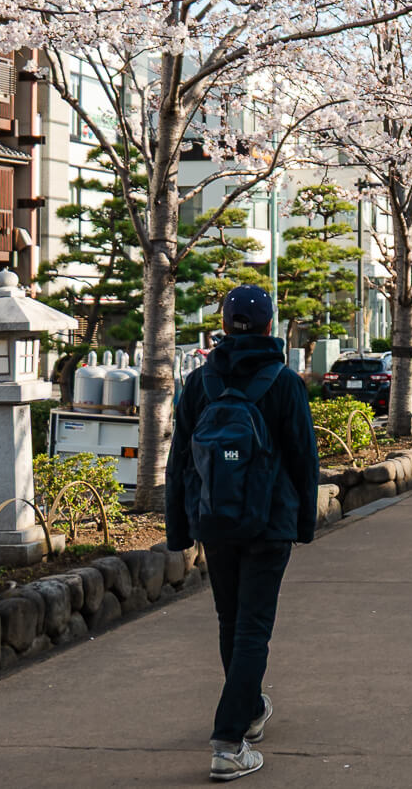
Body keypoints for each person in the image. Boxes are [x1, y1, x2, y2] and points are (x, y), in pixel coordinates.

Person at [166, 285, 319, 782]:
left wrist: (179, 530)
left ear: (224, 324)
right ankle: (229, 742)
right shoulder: (286, 383)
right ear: (271, 327)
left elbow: (178, 462)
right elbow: (304, 460)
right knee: (253, 628)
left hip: (216, 521)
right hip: (269, 523)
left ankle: (250, 710)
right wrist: (303, 524)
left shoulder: (199, 383)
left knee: (231, 622)